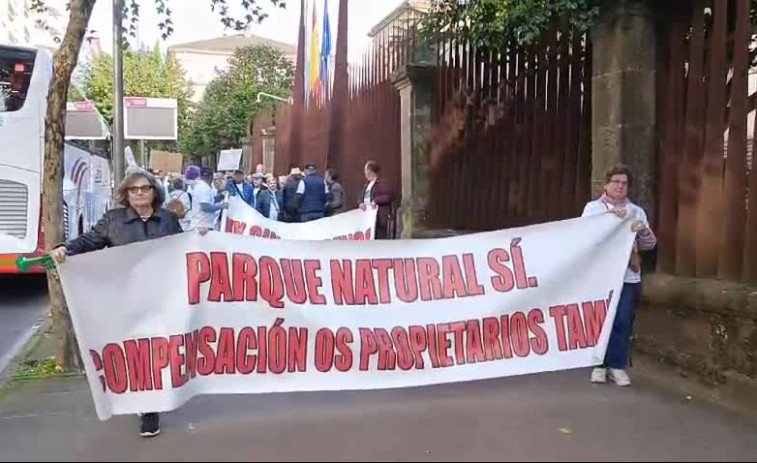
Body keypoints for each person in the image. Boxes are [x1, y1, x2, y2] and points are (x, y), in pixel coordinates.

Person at [50, 169, 183, 438]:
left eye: (144, 188)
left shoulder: (167, 219)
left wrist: (201, 237)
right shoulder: (114, 220)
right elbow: (90, 241)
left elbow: (182, 247)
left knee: (157, 349)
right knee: (137, 350)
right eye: (133, 190)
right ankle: (144, 403)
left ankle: (152, 403)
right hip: (126, 296)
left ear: (154, 191)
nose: (139, 193)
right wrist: (66, 248)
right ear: (125, 194)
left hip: (161, 295)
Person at [582, 165, 657, 387]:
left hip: (627, 276)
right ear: (606, 184)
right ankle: (599, 365)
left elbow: (650, 244)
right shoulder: (594, 209)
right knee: (603, 319)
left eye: (624, 183)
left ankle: (617, 365)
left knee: (623, 320)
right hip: (601, 275)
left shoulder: (637, 211)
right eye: (616, 182)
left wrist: (642, 231)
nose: (620, 186)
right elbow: (585, 236)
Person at [358, 161, 396, 239]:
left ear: (369, 171)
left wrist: (376, 201)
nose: (364, 173)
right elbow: (360, 197)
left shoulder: (381, 183)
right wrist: (360, 203)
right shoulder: (366, 185)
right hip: (367, 218)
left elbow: (389, 196)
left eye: (365, 170)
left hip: (379, 218)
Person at [185, 166, 226, 231]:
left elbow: (209, 201)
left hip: (202, 224)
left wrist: (220, 196)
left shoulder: (202, 186)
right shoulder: (204, 188)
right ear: (211, 177)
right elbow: (205, 207)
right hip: (201, 226)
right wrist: (221, 206)